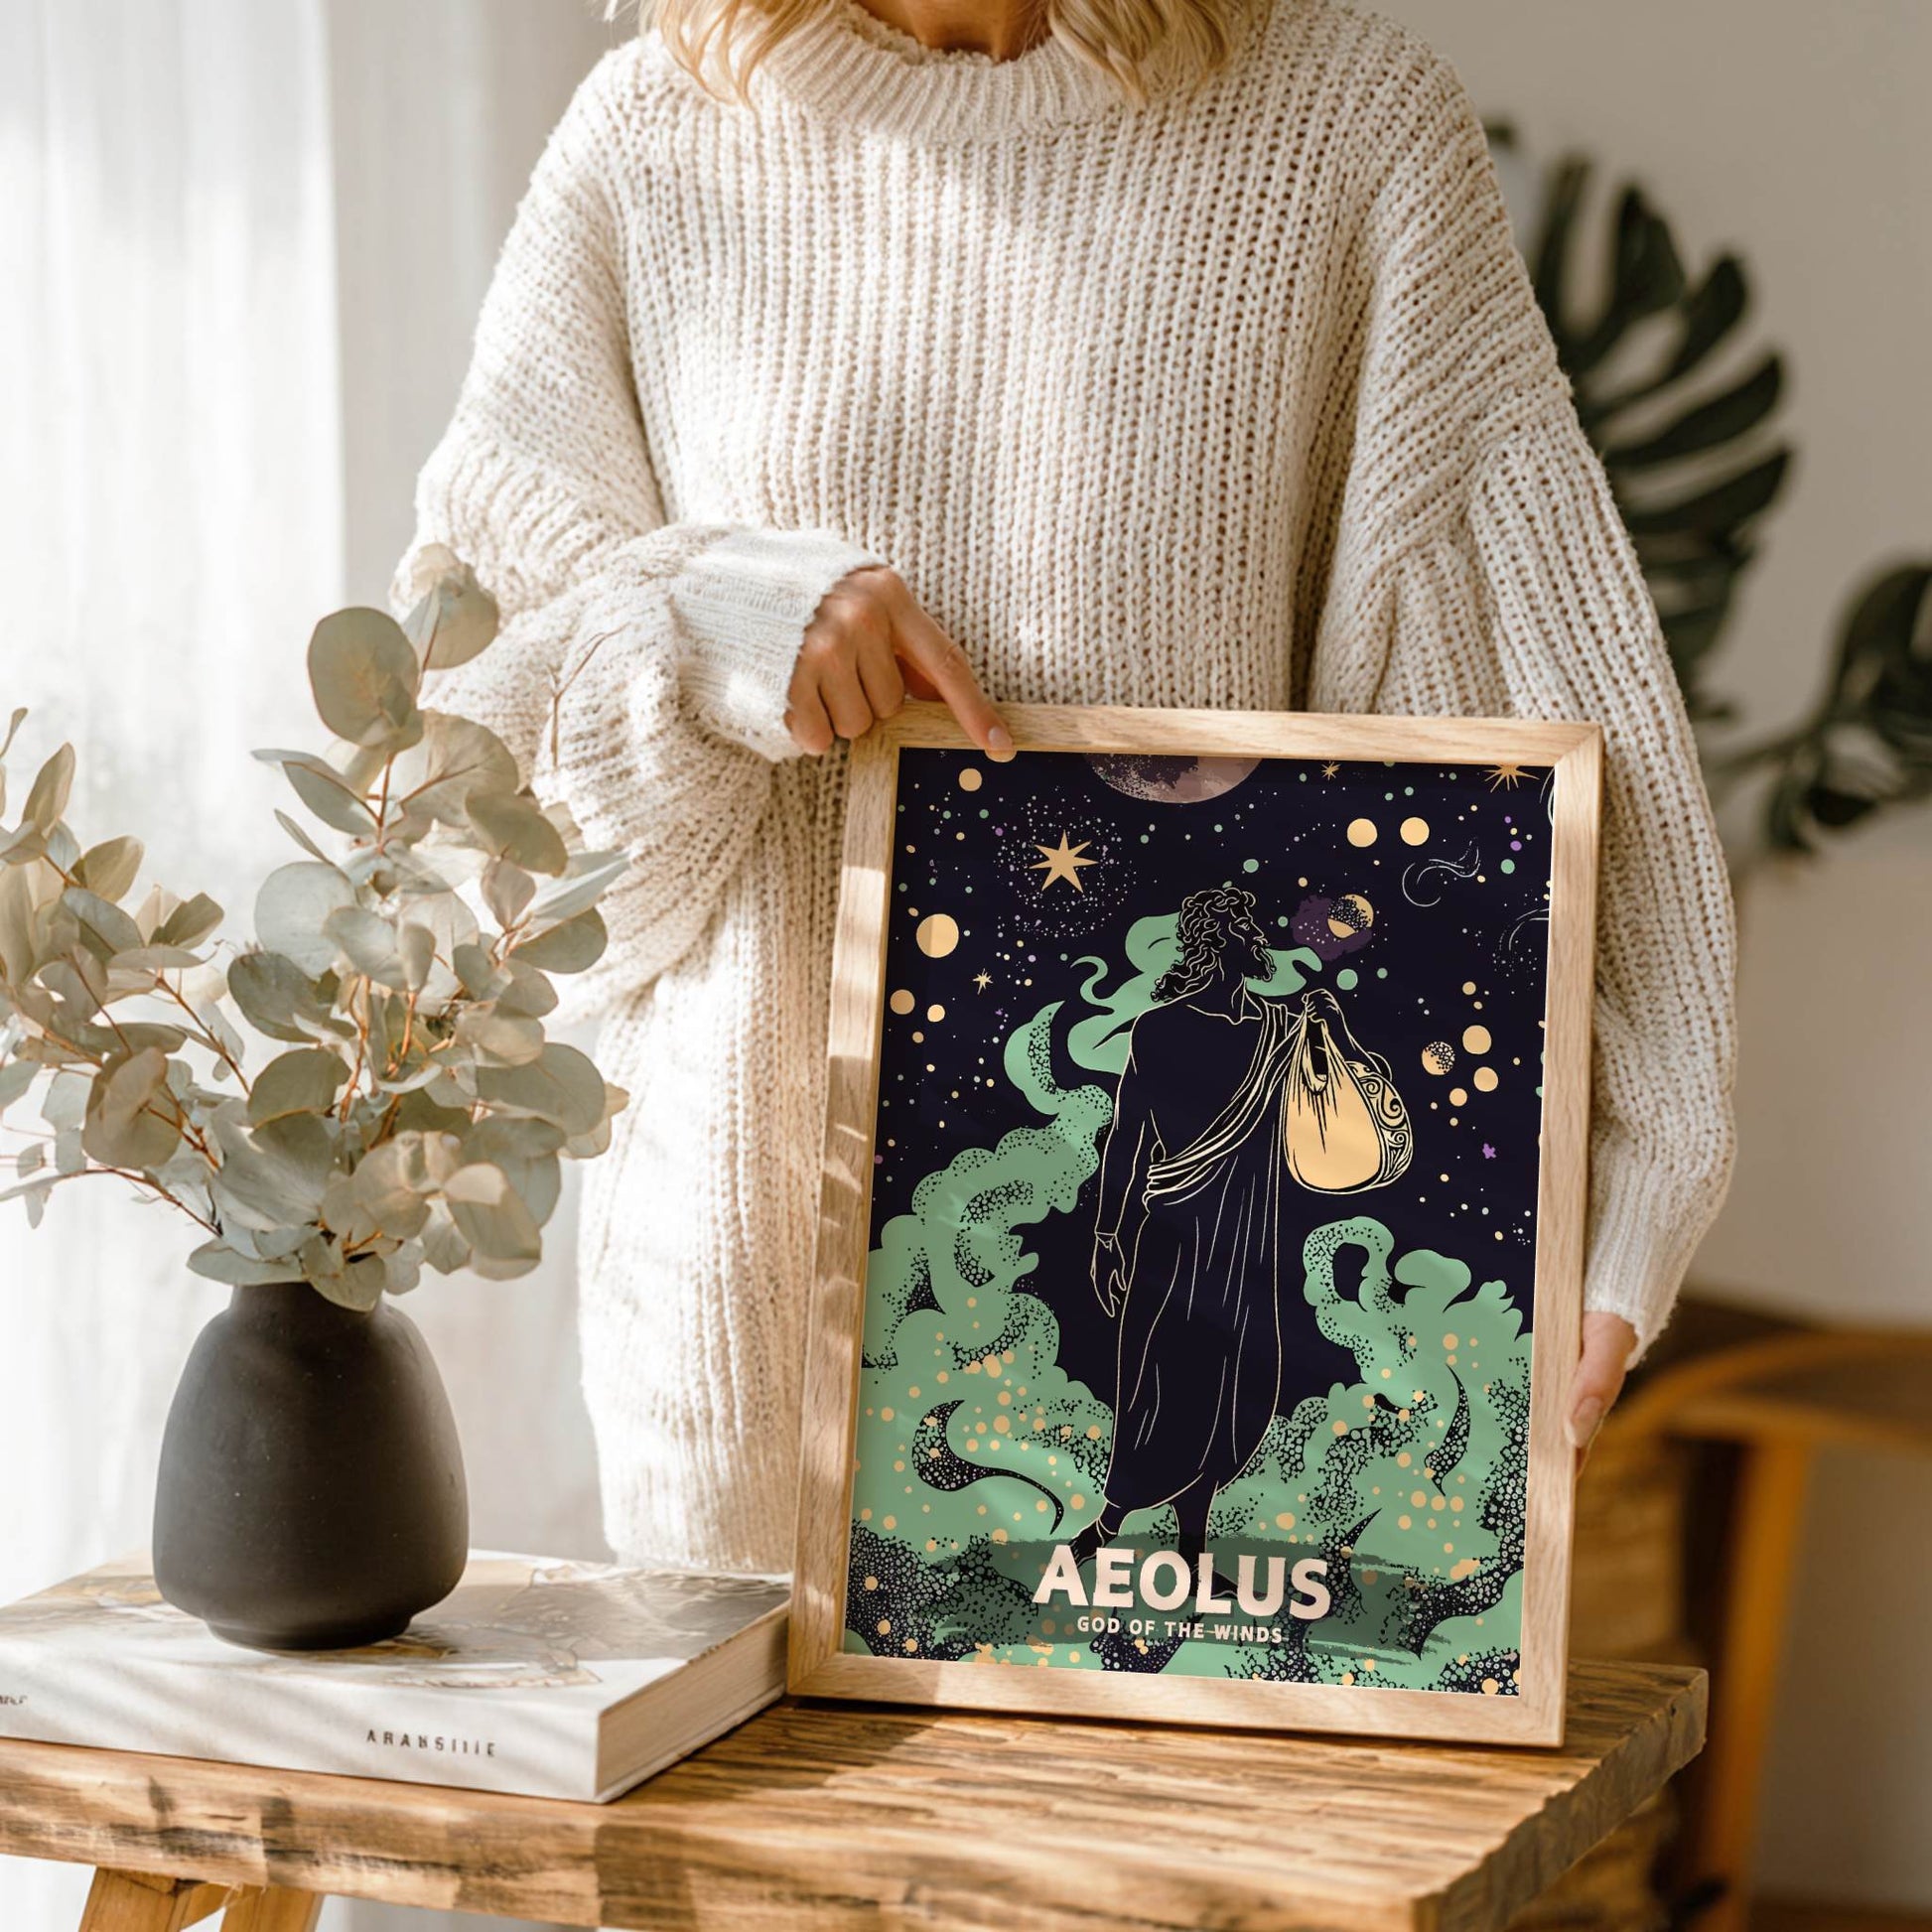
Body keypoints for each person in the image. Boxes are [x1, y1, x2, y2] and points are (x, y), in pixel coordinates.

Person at [395, 0, 1735, 1578]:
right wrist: (705, 621)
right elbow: (469, 822)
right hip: (740, 1345)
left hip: (1221, 1362)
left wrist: (1627, 1170)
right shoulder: (651, 139)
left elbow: (1515, 714)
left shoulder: (1342, 126)